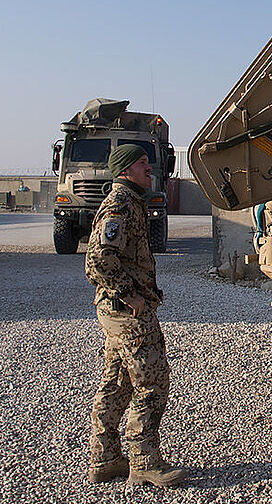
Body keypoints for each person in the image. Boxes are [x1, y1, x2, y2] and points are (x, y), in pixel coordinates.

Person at [85, 143, 188, 488]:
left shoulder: (131, 202)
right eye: (143, 164)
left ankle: (106, 459)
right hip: (127, 314)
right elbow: (97, 260)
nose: (150, 169)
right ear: (126, 169)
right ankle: (144, 461)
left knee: (117, 383)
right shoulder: (120, 205)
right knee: (152, 383)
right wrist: (128, 294)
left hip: (121, 312)